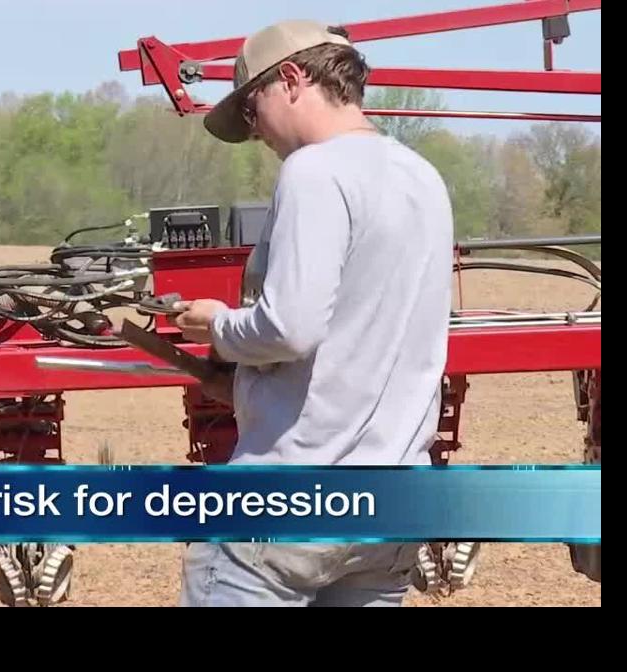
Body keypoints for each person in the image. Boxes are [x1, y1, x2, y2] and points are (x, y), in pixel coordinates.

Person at [171, 20, 453, 607]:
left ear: (293, 79)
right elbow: (366, 341)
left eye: (252, 110)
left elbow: (291, 328)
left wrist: (219, 328)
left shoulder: (314, 171)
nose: (256, 134)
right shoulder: (422, 177)